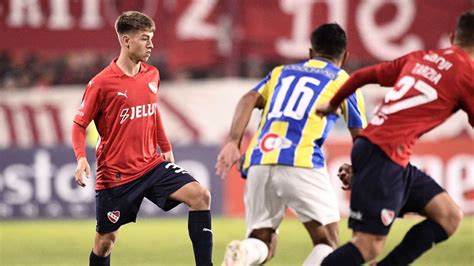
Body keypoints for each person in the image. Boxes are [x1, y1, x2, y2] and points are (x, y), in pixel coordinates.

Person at [316, 10, 474, 266]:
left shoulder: (422, 58)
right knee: (367, 247)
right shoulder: (468, 74)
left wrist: (333, 104)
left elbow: (360, 76)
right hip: (385, 155)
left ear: (453, 36)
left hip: (383, 152)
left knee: (448, 215)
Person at [216, 23, 367, 265]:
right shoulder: (344, 81)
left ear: (310, 53)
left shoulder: (281, 72)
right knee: (327, 241)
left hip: (259, 160)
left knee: (262, 240)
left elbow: (248, 98)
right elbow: (360, 135)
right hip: (302, 160)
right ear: (346, 56)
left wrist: (233, 141)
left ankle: (242, 254)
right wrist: (359, 168)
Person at [72, 11, 213, 266]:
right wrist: (81, 158)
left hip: (151, 165)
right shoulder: (101, 83)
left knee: (200, 196)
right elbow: (79, 124)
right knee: (105, 244)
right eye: (144, 38)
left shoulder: (152, 75)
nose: (151, 45)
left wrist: (165, 145)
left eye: (151, 38)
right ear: (126, 41)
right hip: (117, 175)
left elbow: (152, 110)